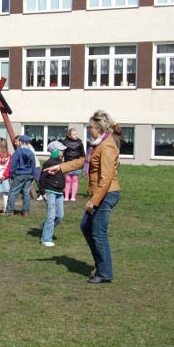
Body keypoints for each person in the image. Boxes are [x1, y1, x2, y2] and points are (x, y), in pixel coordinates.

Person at [45, 110, 121, 284]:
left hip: (107, 193)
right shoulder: (97, 144)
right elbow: (83, 161)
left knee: (98, 232)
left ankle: (105, 272)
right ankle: (101, 266)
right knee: (86, 226)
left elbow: (107, 178)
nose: (88, 130)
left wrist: (93, 201)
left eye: (90, 127)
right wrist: (60, 167)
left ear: (99, 128)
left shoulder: (107, 146)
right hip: (101, 192)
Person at [39, 140, 67, 247]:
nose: (63, 152)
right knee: (50, 217)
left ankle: (45, 226)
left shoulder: (61, 163)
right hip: (50, 192)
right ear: (55, 151)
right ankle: (45, 239)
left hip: (59, 192)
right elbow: (42, 178)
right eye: (61, 150)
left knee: (60, 216)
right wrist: (42, 192)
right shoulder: (49, 163)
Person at [4, 135, 36, 216]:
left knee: (13, 193)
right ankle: (26, 211)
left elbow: (13, 164)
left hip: (19, 175)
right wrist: (33, 176)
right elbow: (33, 166)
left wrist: (11, 175)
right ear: (28, 143)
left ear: (21, 142)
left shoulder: (17, 152)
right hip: (28, 175)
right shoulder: (31, 152)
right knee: (26, 193)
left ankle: (9, 211)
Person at [61, 128, 86, 201]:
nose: (76, 135)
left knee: (75, 178)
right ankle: (66, 196)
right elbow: (62, 153)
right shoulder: (65, 143)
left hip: (76, 164)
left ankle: (73, 196)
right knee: (68, 179)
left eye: (76, 134)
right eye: (74, 134)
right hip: (68, 163)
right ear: (69, 135)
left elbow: (83, 154)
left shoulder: (79, 143)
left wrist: (82, 162)